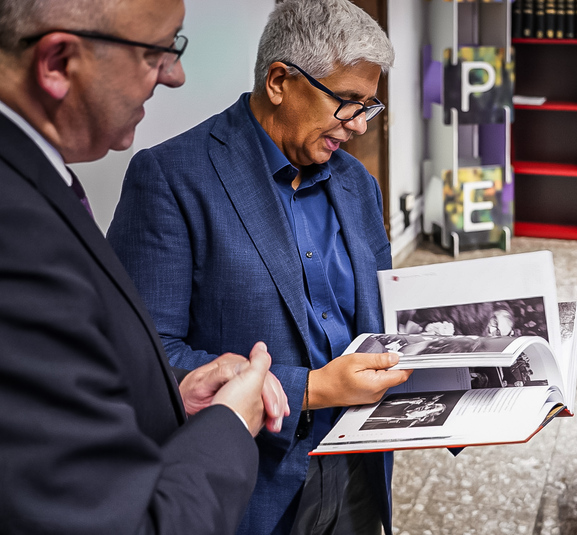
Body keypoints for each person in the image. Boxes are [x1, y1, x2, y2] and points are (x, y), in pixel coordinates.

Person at [106, 1, 412, 533]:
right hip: (255, 487)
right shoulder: (171, 178)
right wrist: (311, 388)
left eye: (370, 107)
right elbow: (146, 360)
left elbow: (390, 319)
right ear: (278, 81)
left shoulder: (356, 184)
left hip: (361, 469)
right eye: (349, 103)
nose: (360, 126)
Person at [0, 0, 291, 533]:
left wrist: (173, 396)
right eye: (158, 52)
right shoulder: (17, 236)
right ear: (58, 62)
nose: (175, 76)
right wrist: (231, 423)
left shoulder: (37, 181)